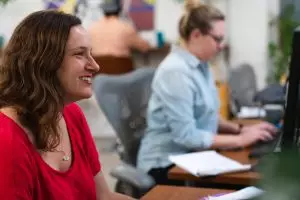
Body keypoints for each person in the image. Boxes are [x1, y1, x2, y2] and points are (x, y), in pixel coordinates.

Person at [137, 1, 277, 185]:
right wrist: (241, 140)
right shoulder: (176, 72)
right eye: (217, 39)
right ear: (196, 35)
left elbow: (207, 115)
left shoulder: (201, 66)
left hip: (194, 157)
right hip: (167, 166)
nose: (220, 46)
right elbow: (187, 136)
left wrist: (241, 130)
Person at [0, 10, 134, 200]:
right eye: (80, 54)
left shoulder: (71, 113)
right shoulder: (7, 141)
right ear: (44, 62)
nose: (95, 66)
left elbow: (102, 196)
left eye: (91, 53)